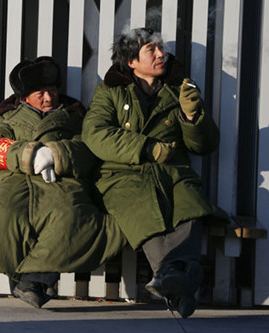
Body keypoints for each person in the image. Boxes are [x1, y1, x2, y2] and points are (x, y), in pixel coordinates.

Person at [82, 27, 229, 318]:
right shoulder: (110, 90)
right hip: (124, 175)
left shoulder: (179, 89)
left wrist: (192, 116)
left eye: (160, 48)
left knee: (189, 205)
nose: (161, 54)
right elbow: (95, 133)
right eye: (151, 50)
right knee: (143, 209)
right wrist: (146, 147)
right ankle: (180, 281)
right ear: (132, 62)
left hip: (172, 172)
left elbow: (205, 145)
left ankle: (169, 279)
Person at [0, 56, 126, 308]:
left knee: (71, 217)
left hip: (62, 181)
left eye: (53, 90)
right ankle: (28, 280)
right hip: (15, 181)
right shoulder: (6, 116)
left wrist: (56, 154)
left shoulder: (75, 113)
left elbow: (89, 148)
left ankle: (33, 281)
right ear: (24, 96)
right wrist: (30, 154)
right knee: (3, 217)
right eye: (40, 93)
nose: (48, 97)